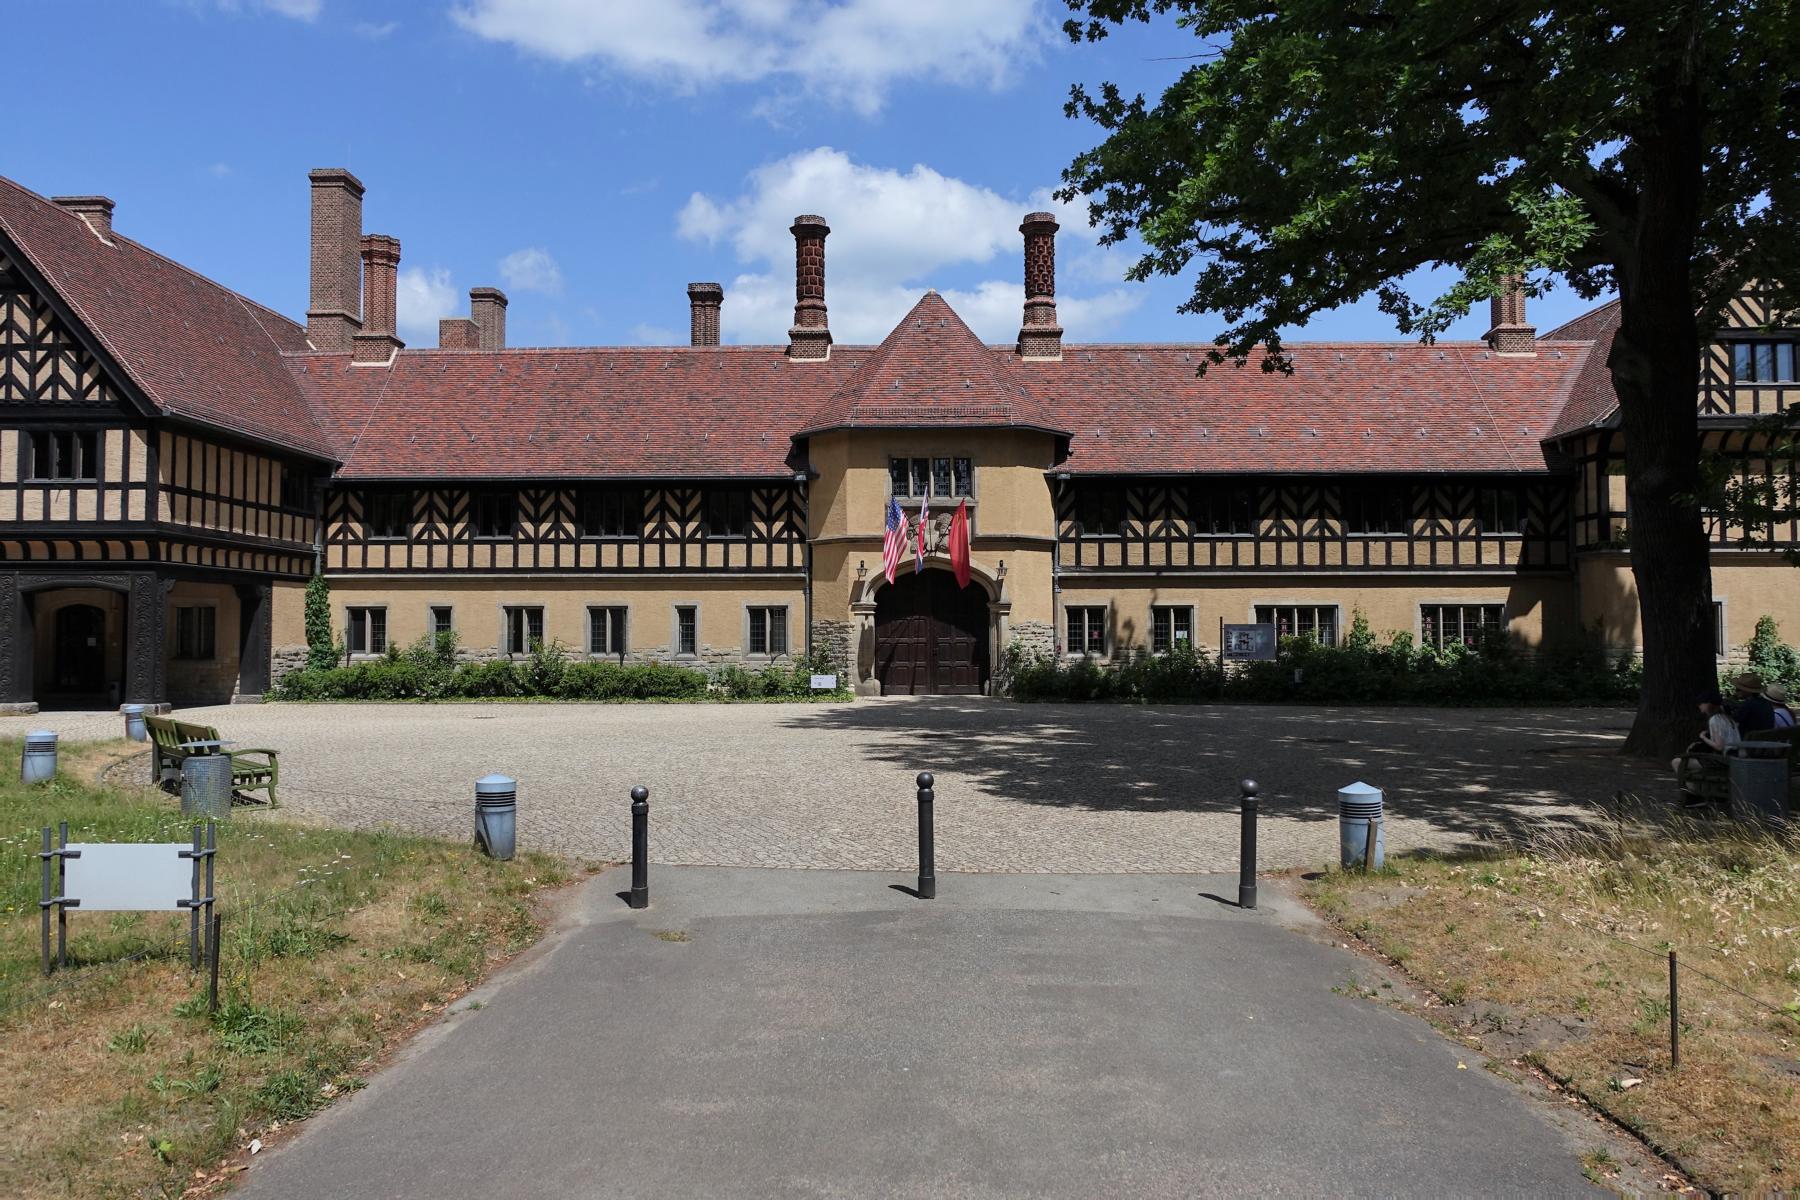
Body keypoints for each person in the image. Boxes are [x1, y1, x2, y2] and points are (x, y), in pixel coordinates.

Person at [1672, 691, 1739, 807]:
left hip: (1722, 762)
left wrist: (1703, 737)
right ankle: (1698, 794)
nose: (1699, 705)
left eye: (1701, 703)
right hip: (1733, 758)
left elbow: (1719, 746)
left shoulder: (1715, 720)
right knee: (1691, 762)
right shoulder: (1727, 718)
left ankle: (1694, 795)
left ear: (1708, 704)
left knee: (1677, 762)